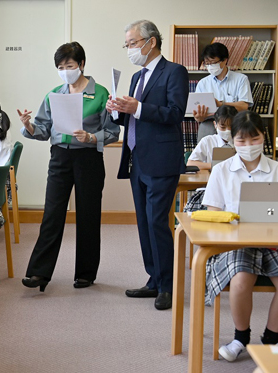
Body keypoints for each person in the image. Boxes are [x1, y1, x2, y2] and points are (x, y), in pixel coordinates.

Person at [17, 41, 120, 292]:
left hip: (88, 159)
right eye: (60, 67)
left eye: (70, 65)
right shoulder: (55, 94)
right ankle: (39, 273)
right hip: (60, 157)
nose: (65, 71)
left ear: (82, 65)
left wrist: (92, 137)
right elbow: (42, 130)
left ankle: (85, 273)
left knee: (88, 214)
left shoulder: (102, 93)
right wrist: (28, 126)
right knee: (52, 215)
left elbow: (113, 131)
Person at [106, 20, 188, 310]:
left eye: (132, 43)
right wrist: (117, 111)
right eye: (126, 44)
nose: (129, 49)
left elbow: (175, 113)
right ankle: (153, 280)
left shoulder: (174, 71)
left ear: (150, 42)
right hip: (136, 159)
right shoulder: (136, 77)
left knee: (157, 221)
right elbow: (131, 118)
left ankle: (168, 286)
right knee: (143, 222)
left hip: (161, 160)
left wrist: (137, 107)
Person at [202, 111, 278, 362]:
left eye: (253, 139)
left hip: (272, 243)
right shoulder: (222, 170)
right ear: (232, 140)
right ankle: (240, 338)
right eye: (241, 141)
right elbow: (213, 214)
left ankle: (271, 339)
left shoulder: (276, 170)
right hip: (236, 244)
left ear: (264, 137)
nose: (247, 146)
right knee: (240, 281)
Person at [193, 42, 253, 141]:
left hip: (234, 123)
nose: (210, 66)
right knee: (206, 151)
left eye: (213, 63)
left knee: (234, 154)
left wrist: (221, 104)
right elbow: (198, 117)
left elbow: (244, 106)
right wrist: (199, 117)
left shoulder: (241, 79)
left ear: (225, 60)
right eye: (207, 64)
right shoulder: (202, 83)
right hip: (210, 124)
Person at [183, 105, 238, 212]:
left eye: (231, 127)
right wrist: (215, 165)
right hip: (207, 189)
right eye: (223, 127)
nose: (227, 131)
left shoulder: (241, 142)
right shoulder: (208, 141)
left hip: (233, 190)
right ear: (215, 124)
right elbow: (190, 163)